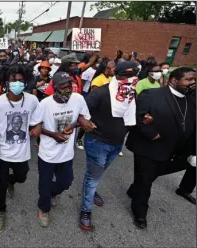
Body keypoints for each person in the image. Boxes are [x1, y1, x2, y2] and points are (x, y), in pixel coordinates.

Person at [126, 67, 196, 229]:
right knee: (145, 181)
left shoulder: (191, 99)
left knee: (149, 176)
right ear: (173, 80)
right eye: (189, 79)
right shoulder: (152, 95)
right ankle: (140, 212)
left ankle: (134, 189)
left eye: (195, 80)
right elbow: (136, 114)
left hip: (174, 149)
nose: (193, 83)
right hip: (148, 147)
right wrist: (150, 132)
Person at [78, 61, 139, 231]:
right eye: (126, 76)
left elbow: (133, 115)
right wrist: (83, 121)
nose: (130, 79)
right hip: (98, 143)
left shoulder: (131, 95)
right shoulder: (102, 93)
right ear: (116, 75)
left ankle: (91, 191)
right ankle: (86, 210)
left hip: (117, 145)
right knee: (93, 177)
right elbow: (79, 108)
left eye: (133, 76)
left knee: (98, 173)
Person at [0, 64, 41, 234]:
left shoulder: (32, 100)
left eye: (20, 81)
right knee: (0, 184)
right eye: (13, 81)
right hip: (1, 152)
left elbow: (37, 120)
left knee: (22, 177)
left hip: (22, 152)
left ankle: (11, 181)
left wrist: (38, 127)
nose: (17, 84)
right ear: (6, 82)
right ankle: (1, 211)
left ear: (26, 82)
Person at [30, 71, 93, 227]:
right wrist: (53, 135)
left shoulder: (78, 99)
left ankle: (52, 192)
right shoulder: (45, 104)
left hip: (67, 153)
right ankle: (44, 209)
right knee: (44, 184)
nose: (67, 89)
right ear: (55, 87)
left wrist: (78, 124)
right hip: (47, 154)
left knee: (66, 182)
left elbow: (83, 117)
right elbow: (36, 125)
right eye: (63, 86)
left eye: (69, 86)